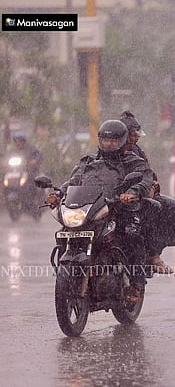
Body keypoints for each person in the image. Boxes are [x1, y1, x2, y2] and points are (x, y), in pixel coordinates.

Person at [46, 119, 154, 304]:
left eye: (113, 140)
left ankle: (136, 283)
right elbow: (73, 181)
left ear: (122, 140)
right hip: (91, 210)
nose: (109, 143)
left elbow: (144, 180)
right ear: (100, 140)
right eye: (105, 139)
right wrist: (58, 194)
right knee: (65, 232)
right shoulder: (89, 162)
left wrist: (132, 193)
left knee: (132, 236)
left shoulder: (134, 162)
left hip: (120, 210)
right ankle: (72, 277)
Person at [119, 110, 175, 275]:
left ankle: (153, 254)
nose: (135, 139)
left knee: (166, 206)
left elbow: (147, 175)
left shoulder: (138, 153)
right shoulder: (105, 153)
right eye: (132, 135)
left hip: (137, 195)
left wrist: (150, 187)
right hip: (113, 197)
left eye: (136, 136)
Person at [11, 131, 42, 205]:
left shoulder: (31, 149)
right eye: (16, 140)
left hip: (29, 171)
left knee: (32, 180)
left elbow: (38, 156)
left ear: (23, 141)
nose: (18, 142)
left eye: (19, 140)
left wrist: (34, 161)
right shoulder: (12, 150)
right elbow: (7, 158)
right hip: (16, 171)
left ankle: (35, 198)